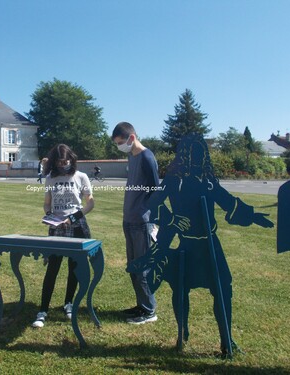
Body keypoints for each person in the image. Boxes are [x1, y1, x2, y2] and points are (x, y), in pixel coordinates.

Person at [127, 133, 273, 355]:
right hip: (186, 247)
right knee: (181, 288)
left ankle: (227, 340)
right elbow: (153, 202)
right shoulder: (174, 181)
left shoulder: (208, 181)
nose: (197, 159)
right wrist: (172, 220)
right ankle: (182, 331)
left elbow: (228, 202)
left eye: (200, 155)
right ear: (185, 156)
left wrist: (252, 216)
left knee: (223, 290)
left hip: (211, 246)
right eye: (193, 155)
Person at [32, 144, 94, 328]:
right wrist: (48, 214)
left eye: (66, 161)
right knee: (53, 267)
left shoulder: (81, 177)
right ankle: (43, 309)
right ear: (54, 162)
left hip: (76, 226)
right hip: (56, 226)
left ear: (72, 160)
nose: (63, 164)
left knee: (74, 268)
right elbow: (46, 202)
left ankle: (68, 303)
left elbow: (90, 203)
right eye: (59, 162)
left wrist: (73, 217)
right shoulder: (50, 178)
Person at [112, 121, 160, 324]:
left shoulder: (147, 157)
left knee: (142, 268)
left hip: (141, 222)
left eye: (121, 142)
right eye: (117, 144)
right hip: (128, 219)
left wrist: (151, 218)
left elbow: (156, 190)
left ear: (132, 138)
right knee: (133, 266)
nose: (119, 146)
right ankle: (141, 305)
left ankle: (149, 311)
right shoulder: (131, 157)